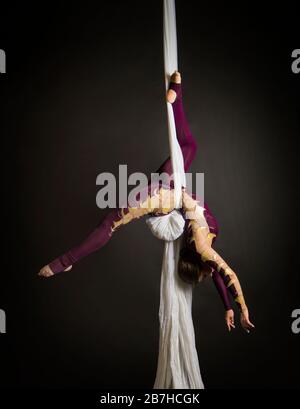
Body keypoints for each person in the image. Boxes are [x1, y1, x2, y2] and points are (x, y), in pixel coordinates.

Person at [38, 71, 254, 333]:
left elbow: (226, 274)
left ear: (200, 263)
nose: (209, 273)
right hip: (167, 187)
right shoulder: (204, 247)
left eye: (204, 273)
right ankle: (175, 95)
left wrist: (239, 306)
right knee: (188, 148)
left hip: (165, 194)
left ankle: (65, 261)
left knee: (110, 225)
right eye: (206, 274)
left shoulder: (202, 244)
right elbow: (221, 274)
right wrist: (231, 307)